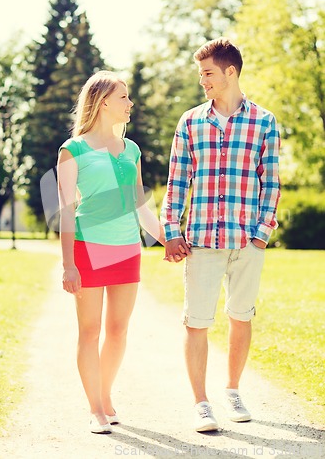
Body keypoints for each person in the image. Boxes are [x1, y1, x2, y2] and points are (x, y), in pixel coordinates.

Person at [161, 38, 280, 432]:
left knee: (240, 316)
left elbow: (272, 182)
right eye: (201, 74)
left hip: (247, 242)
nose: (202, 81)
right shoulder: (191, 121)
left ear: (231, 72)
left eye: (208, 73)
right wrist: (170, 230)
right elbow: (177, 182)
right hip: (201, 242)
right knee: (196, 321)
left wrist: (261, 234)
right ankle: (201, 402)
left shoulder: (264, 121)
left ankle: (232, 390)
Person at [57, 70, 166, 434]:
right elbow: (67, 209)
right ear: (103, 102)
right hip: (89, 248)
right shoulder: (73, 150)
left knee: (118, 330)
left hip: (127, 249)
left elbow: (140, 205)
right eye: (124, 97)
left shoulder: (130, 149)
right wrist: (68, 265)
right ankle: (94, 409)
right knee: (89, 331)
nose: (130, 103)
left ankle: (104, 397)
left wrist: (168, 239)